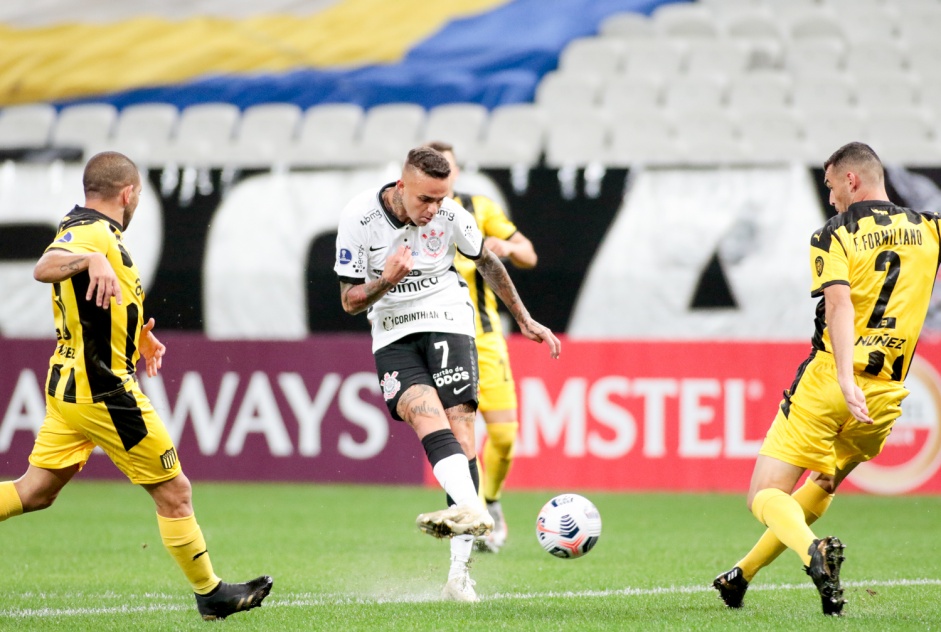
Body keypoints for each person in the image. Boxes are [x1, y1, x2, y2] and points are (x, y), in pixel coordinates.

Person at [0, 152, 272, 621]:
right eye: (139, 193)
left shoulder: (85, 224)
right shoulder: (90, 234)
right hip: (103, 391)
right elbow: (45, 267)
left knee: (36, 491)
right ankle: (210, 593)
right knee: (175, 491)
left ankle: (210, 593)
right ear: (128, 193)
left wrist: (137, 336)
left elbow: (93, 303)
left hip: (71, 386)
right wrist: (90, 259)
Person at [713, 142, 941, 616]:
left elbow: (839, 305)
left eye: (832, 183)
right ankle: (742, 575)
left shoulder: (834, 234)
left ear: (851, 180)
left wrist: (843, 376)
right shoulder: (930, 228)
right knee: (823, 481)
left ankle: (812, 550)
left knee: (765, 494)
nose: (830, 194)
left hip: (832, 383)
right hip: (886, 394)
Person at [334, 146, 560, 602]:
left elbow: (488, 261)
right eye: (425, 200)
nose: (434, 210)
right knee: (424, 418)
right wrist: (385, 281)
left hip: (448, 316)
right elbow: (349, 300)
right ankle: (475, 511)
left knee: (461, 429)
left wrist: (524, 318)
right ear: (402, 187)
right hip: (392, 330)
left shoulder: (452, 214)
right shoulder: (359, 218)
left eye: (440, 199)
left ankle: (459, 575)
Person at [426, 141, 537, 553]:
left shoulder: (480, 208)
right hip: (438, 338)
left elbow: (529, 253)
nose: (443, 175)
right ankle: (471, 516)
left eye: (448, 169)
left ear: (455, 173)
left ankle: (490, 500)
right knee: (456, 435)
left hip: (485, 338)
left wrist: (507, 248)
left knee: (505, 436)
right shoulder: (414, 216)